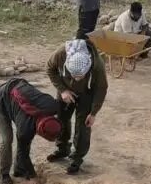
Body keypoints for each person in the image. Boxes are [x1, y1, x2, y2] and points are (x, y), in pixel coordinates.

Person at [46, 37, 108, 175]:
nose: (76, 79)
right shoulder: (61, 54)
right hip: (65, 90)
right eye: (73, 75)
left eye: (80, 76)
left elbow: (101, 88)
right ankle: (62, 149)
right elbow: (50, 69)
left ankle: (77, 157)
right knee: (61, 119)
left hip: (87, 92)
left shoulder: (97, 63)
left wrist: (93, 113)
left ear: (88, 66)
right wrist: (63, 90)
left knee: (83, 124)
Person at [0, 77, 62, 184]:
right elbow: (22, 152)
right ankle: (4, 174)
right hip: (0, 99)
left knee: (25, 140)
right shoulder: (25, 128)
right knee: (7, 139)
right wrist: (33, 176)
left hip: (18, 86)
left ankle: (19, 170)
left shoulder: (52, 105)